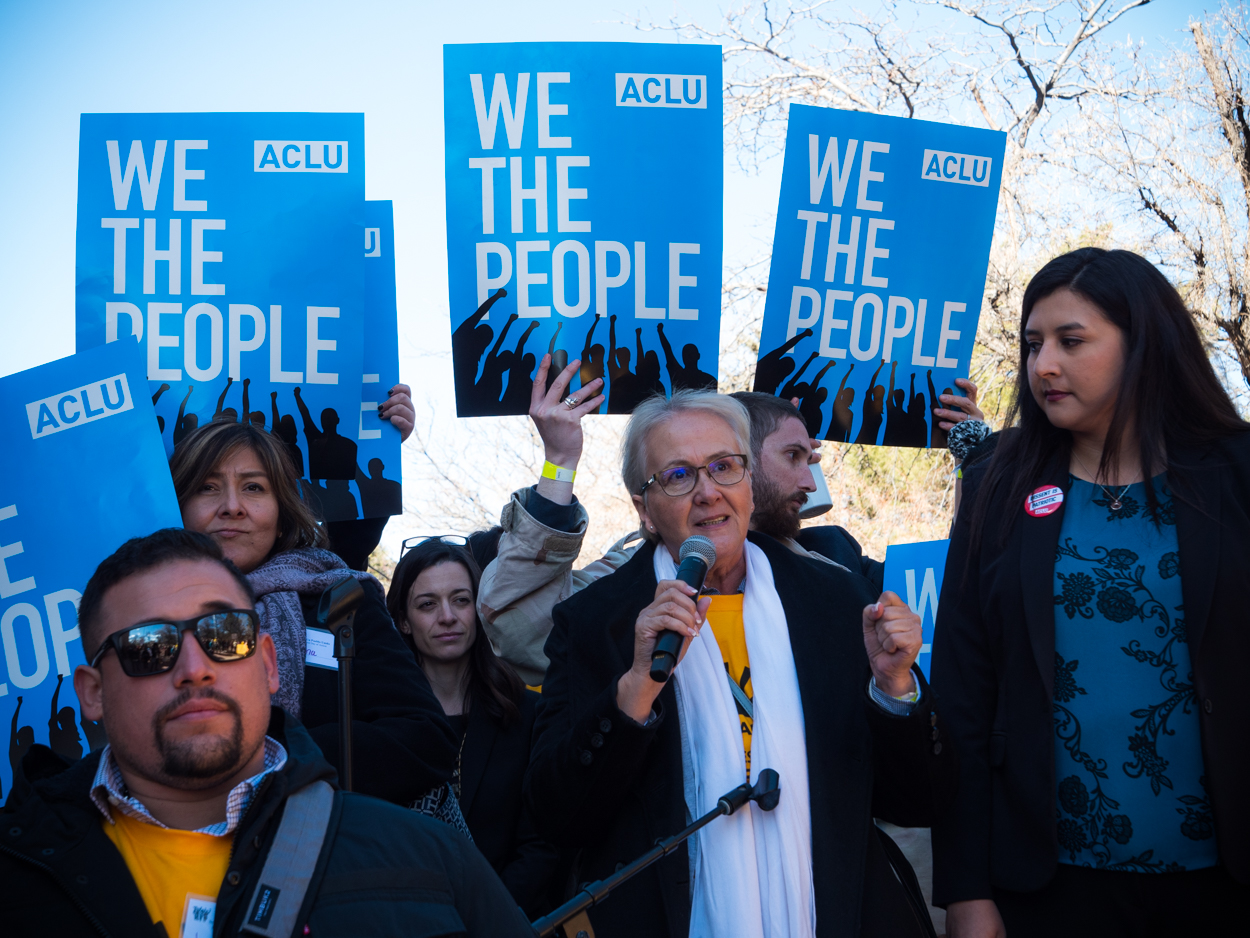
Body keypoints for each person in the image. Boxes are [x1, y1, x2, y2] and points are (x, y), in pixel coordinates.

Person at [526, 390, 954, 937]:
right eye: (678, 475)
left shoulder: (836, 600)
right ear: (644, 508)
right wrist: (635, 689)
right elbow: (557, 816)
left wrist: (896, 689)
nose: (708, 492)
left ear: (749, 483)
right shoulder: (595, 623)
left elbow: (918, 799)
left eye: (725, 467)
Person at [932, 248, 1250, 938]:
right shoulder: (995, 480)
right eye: (1033, 344)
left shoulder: (1238, 472)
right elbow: (962, 695)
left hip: (1227, 885)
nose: (1043, 364)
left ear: (1145, 343)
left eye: (1072, 341)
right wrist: (965, 890)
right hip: (1049, 892)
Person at [0, 528, 536, 937]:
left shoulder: (426, 858)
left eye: (224, 633)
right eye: (149, 647)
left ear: (269, 664)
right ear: (92, 692)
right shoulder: (18, 880)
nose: (194, 667)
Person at [169, 419, 457, 807]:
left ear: (282, 509)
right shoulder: (137, 613)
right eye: (207, 487)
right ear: (176, 502)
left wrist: (264, 760)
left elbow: (425, 739)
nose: (232, 507)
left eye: (254, 487)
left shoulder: (342, 602)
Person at [386, 539, 561, 916]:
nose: (447, 617)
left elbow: (542, 844)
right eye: (427, 604)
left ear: (479, 609)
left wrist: (487, 920)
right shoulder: (379, 723)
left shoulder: (527, 713)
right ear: (403, 619)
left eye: (461, 600)